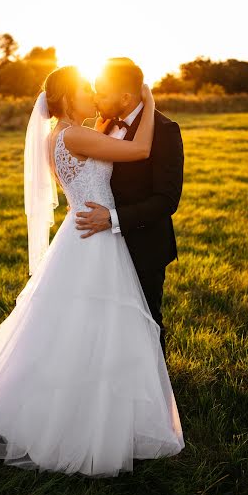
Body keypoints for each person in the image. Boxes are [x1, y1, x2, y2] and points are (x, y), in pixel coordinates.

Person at [0, 65, 185, 478]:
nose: (94, 96)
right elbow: (137, 152)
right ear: (66, 100)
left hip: (83, 234)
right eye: (86, 90)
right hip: (95, 236)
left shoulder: (63, 135)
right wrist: (149, 100)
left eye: (98, 91)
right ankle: (96, 414)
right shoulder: (76, 134)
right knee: (100, 323)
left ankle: (97, 399)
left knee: (77, 326)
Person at [74, 58, 184, 361]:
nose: (96, 99)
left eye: (102, 93)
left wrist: (112, 218)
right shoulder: (104, 125)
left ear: (125, 97)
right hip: (102, 245)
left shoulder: (164, 130)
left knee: (146, 319)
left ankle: (158, 394)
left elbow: (167, 200)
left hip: (144, 244)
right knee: (108, 319)